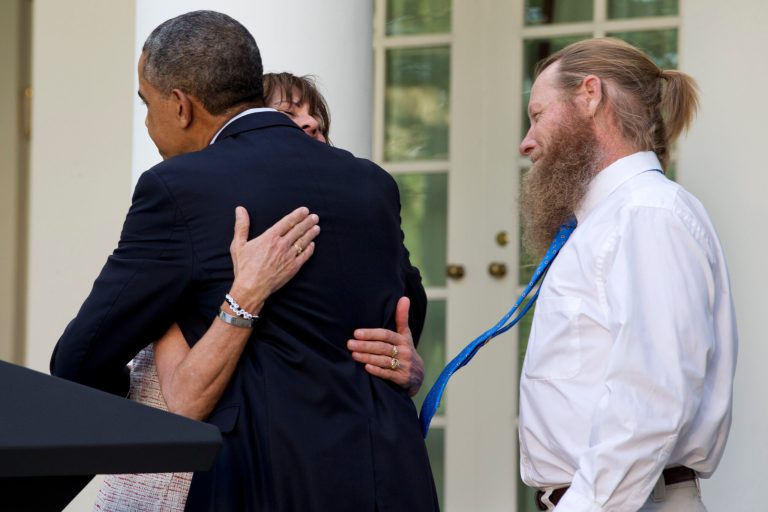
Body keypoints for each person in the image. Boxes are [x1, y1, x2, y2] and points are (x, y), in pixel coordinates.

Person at [51, 10, 438, 512]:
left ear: (181, 105)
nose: (148, 122)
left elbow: (80, 359)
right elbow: (410, 309)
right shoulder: (370, 182)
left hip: (264, 476)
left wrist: (135, 398)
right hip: (388, 472)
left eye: (146, 104)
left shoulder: (180, 188)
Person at [516, 37, 737, 511]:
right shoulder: (613, 219)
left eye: (537, 115)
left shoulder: (647, 214)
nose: (526, 142)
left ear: (590, 95)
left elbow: (650, 399)